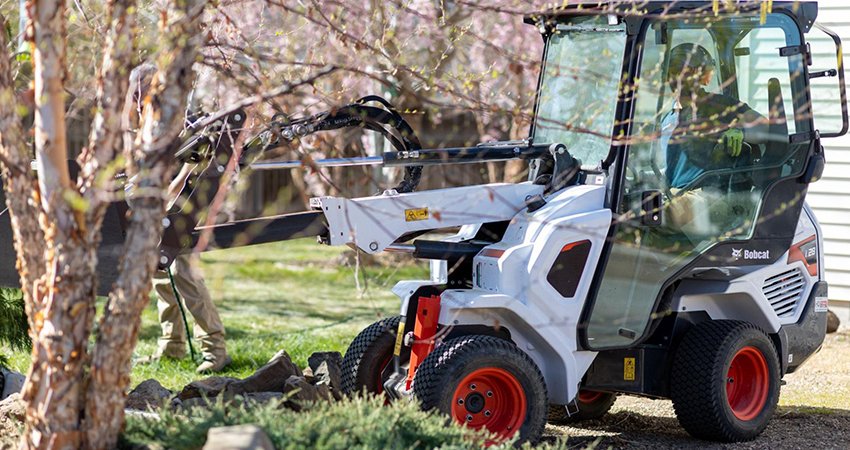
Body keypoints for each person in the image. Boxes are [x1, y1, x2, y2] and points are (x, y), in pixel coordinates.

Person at [126, 64, 232, 373]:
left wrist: (170, 192)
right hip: (153, 208)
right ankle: (171, 345)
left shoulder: (178, 121)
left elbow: (194, 163)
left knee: (186, 275)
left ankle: (215, 349)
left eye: (142, 90)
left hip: (182, 205)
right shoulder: (144, 125)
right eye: (134, 92)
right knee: (160, 275)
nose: (137, 97)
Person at [660, 43, 769, 237]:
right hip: (674, 193)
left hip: (710, 195)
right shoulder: (666, 117)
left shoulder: (719, 107)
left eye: (686, 73)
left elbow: (765, 125)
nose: (677, 80)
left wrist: (741, 130)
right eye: (674, 73)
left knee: (660, 214)